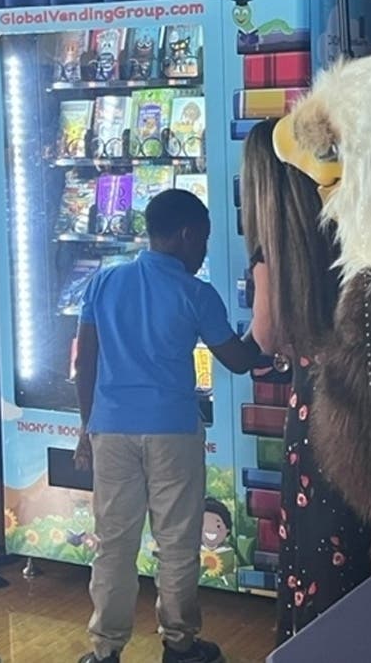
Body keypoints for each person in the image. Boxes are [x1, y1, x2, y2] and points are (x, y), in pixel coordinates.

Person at [72, 188, 263, 663]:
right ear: (187, 233)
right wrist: (267, 324)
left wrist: (86, 427)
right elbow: (238, 360)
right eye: (203, 240)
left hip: (111, 429)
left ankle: (104, 650)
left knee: (113, 544)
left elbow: (86, 361)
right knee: (176, 542)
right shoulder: (195, 293)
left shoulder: (103, 283)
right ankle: (179, 644)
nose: (202, 251)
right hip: (173, 431)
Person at [238, 119, 371, 646]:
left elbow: (266, 335)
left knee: (317, 555)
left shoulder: (272, 251)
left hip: (315, 413)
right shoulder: (346, 224)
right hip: (362, 399)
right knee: (360, 545)